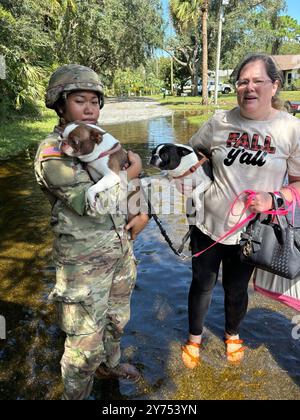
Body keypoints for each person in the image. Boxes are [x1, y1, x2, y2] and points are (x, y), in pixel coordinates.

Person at [34, 64, 149, 399]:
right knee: (83, 343)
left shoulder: (100, 140)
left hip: (119, 250)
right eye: (79, 100)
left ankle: (109, 365)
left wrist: (141, 211)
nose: (89, 109)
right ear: (60, 105)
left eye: (95, 102)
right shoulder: (54, 153)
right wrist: (135, 169)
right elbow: (92, 202)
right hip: (83, 267)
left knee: (116, 321)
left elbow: (127, 186)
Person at [181, 53, 300, 368]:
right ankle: (194, 339)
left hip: (252, 232)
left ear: (274, 86)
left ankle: (232, 334)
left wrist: (273, 199)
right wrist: (191, 178)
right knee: (202, 284)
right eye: (243, 81)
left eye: (258, 81)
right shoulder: (220, 122)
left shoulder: (291, 130)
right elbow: (196, 153)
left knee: (236, 289)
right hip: (206, 224)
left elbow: (299, 184)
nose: (249, 88)